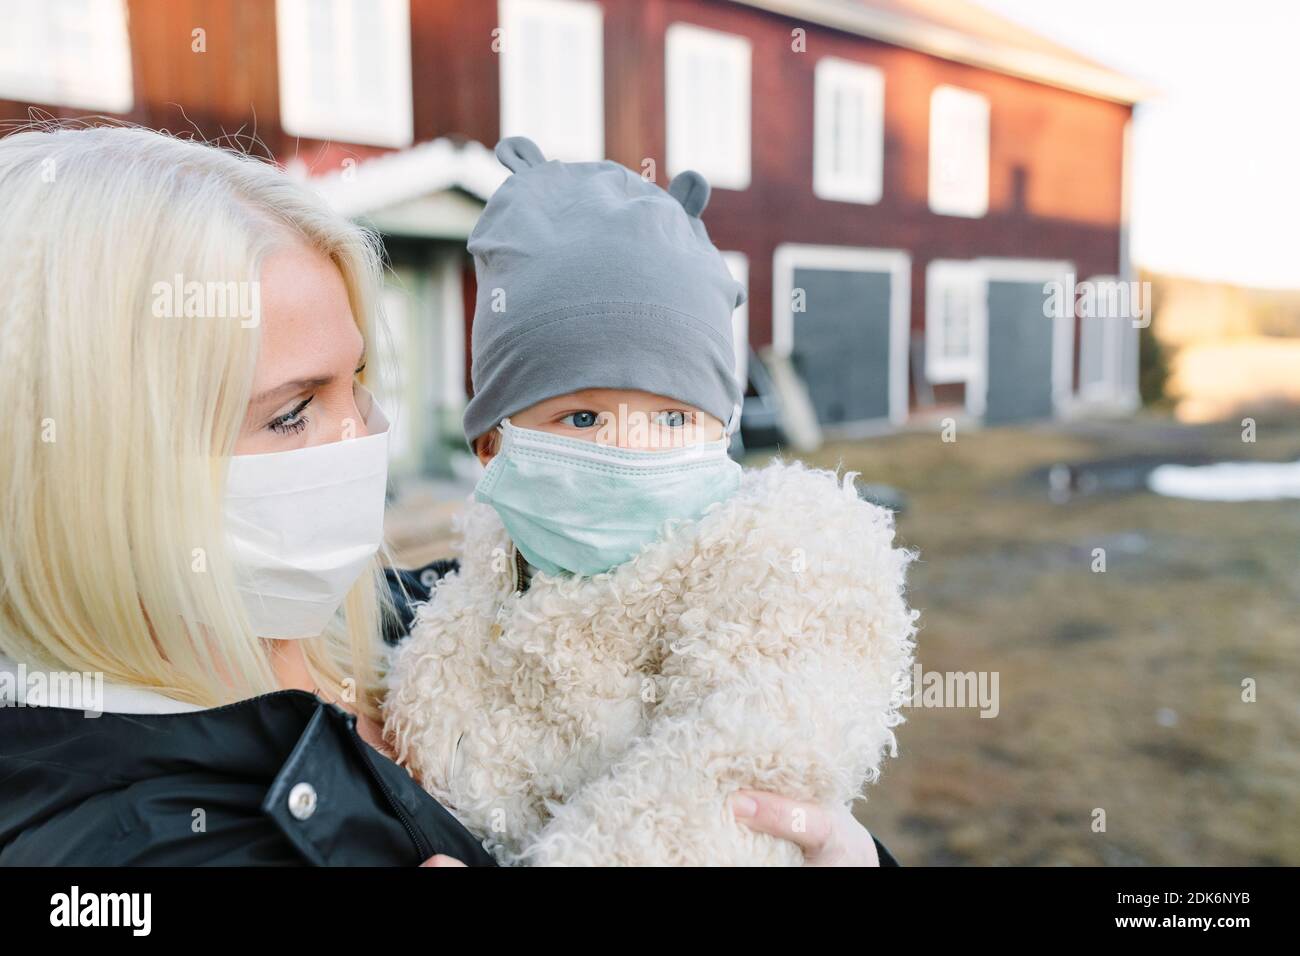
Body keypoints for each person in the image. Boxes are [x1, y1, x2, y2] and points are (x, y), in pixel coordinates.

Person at [0, 125, 894, 866]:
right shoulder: (117, 851)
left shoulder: (428, 614)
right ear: (94, 465)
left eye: (359, 382)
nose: (367, 438)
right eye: (295, 412)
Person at [383, 138, 915, 865]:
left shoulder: (785, 562)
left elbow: (737, 776)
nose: (629, 448)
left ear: (719, 436)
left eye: (670, 418)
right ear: (493, 445)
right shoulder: (453, 626)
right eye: (582, 417)